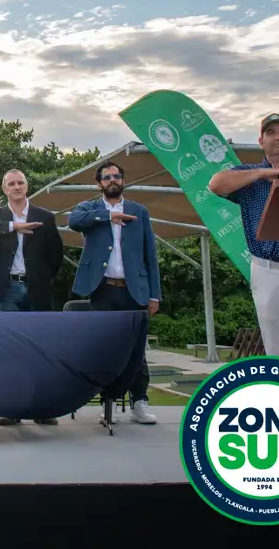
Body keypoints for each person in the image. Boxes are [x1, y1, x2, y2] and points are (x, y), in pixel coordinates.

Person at [207, 113, 279, 361]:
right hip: (271, 272)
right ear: (261, 141)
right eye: (271, 132)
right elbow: (216, 184)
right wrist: (263, 174)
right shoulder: (248, 175)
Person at [68, 161, 160, 425]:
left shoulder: (139, 211)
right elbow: (73, 221)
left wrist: (155, 294)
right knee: (105, 347)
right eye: (107, 177)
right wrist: (109, 216)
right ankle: (108, 403)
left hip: (134, 290)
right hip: (103, 289)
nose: (112, 180)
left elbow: (150, 255)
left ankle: (139, 401)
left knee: (136, 349)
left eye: (116, 176)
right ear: (99, 184)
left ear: (123, 181)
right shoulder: (89, 209)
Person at [0, 169, 65, 427]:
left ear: (27, 186)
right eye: (11, 183)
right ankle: (12, 408)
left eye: (20, 182)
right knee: (10, 350)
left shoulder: (44, 217)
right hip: (7, 289)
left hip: (36, 289)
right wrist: (14, 227)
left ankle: (41, 408)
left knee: (39, 349)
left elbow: (56, 255)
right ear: (4, 189)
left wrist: (42, 277)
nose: (16, 187)